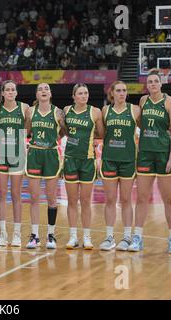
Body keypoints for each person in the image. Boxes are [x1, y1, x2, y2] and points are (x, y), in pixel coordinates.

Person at [130, 70, 171, 254]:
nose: (152, 84)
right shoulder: (143, 101)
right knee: (142, 197)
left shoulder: (170, 102)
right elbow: (141, 123)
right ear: (147, 85)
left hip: (163, 154)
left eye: (155, 81)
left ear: (161, 84)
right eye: (149, 81)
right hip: (145, 154)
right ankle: (138, 237)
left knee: (168, 198)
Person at [99, 81, 140, 251]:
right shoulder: (105, 110)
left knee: (125, 199)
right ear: (112, 93)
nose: (122, 93)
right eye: (118, 90)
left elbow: (146, 129)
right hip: (109, 159)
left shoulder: (135, 110)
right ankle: (109, 237)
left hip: (128, 160)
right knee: (109, 199)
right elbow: (102, 134)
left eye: (124, 90)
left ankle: (127, 237)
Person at [25, 83, 66, 249]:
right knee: (34, 197)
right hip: (34, 153)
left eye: (46, 89)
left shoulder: (58, 113)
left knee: (51, 197)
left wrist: (54, 140)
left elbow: (64, 131)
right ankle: (34, 235)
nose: (43, 91)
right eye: (40, 89)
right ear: (36, 94)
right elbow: (27, 131)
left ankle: (51, 235)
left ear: (50, 94)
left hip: (51, 154)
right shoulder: (30, 112)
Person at [64, 83, 104, 249]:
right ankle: (73, 237)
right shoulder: (67, 110)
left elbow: (101, 133)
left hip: (88, 160)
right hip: (70, 159)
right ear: (74, 96)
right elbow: (65, 130)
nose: (84, 96)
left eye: (86, 93)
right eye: (80, 93)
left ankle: (86, 237)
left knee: (86, 201)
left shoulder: (95, 112)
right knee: (72, 201)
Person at [0, 80, 30, 247]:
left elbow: (27, 129)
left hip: (17, 155)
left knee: (16, 194)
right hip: (0, 155)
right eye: (7, 90)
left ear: (16, 92)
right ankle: (3, 233)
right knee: (1, 194)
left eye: (13, 89)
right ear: (2, 93)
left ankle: (16, 233)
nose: (10, 92)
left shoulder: (24, 108)